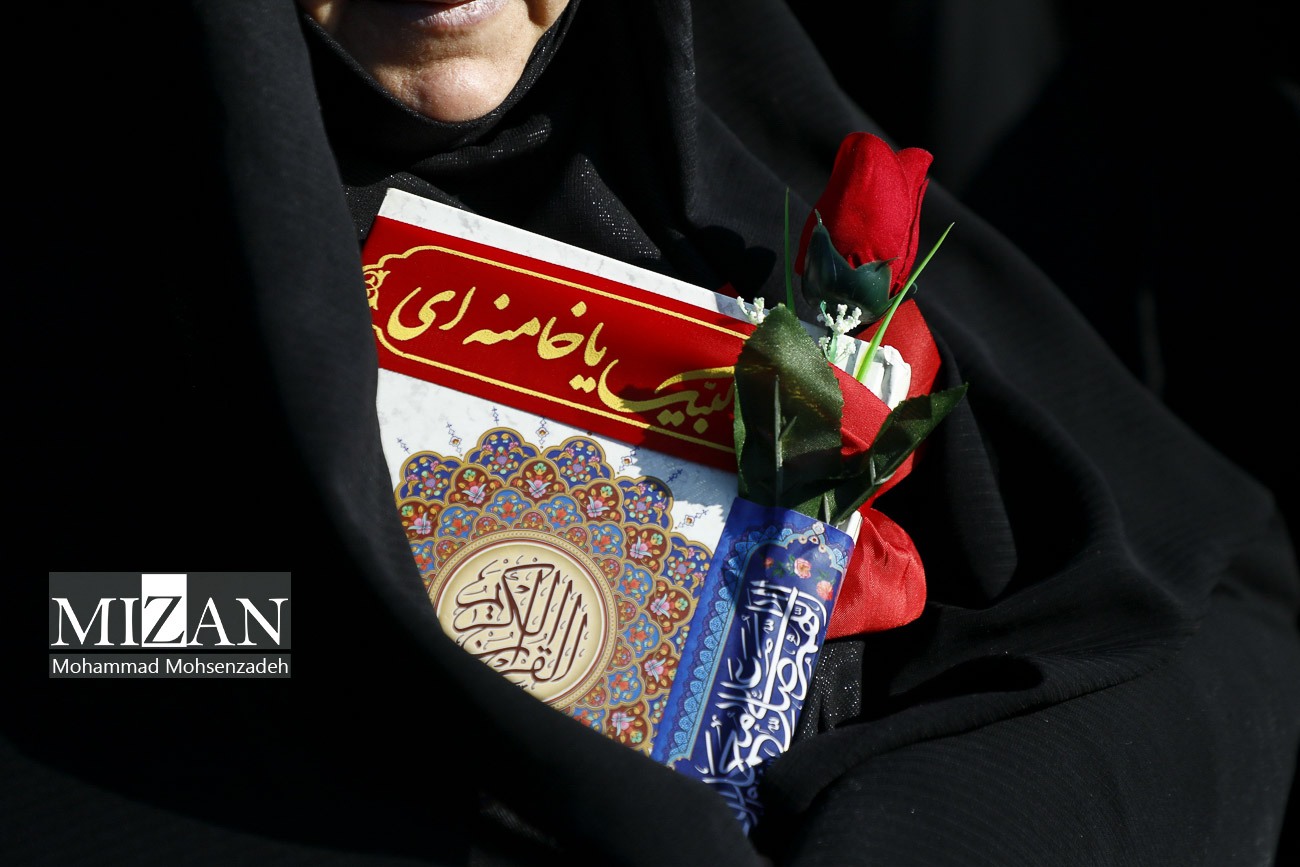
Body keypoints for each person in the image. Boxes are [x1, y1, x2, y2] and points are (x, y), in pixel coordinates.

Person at [17, 1, 1299, 865]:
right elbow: (75, 636)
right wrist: (377, 659)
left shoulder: (743, 199)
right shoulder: (99, 278)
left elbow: (1204, 602)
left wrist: (906, 811)